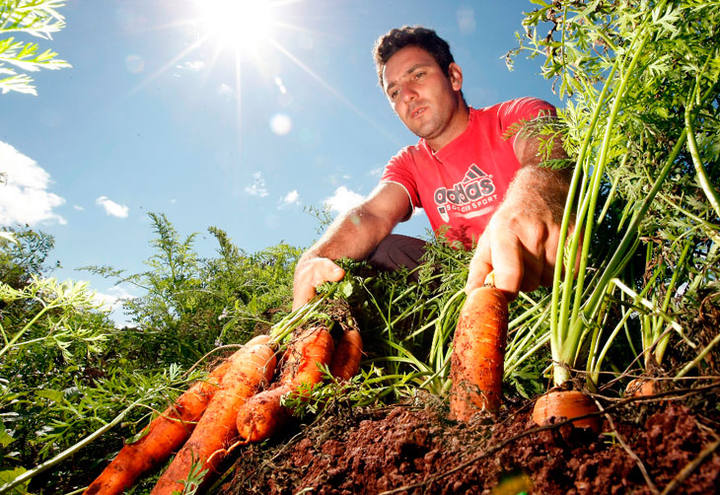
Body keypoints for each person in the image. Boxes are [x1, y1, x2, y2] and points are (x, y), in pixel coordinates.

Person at [292, 26, 570, 310]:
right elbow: (373, 214)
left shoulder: (516, 114)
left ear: (454, 77)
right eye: (395, 91)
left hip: (545, 279)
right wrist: (315, 258)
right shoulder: (409, 162)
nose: (407, 95)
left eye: (418, 75)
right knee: (386, 251)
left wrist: (533, 200)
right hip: (460, 291)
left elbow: (547, 158)